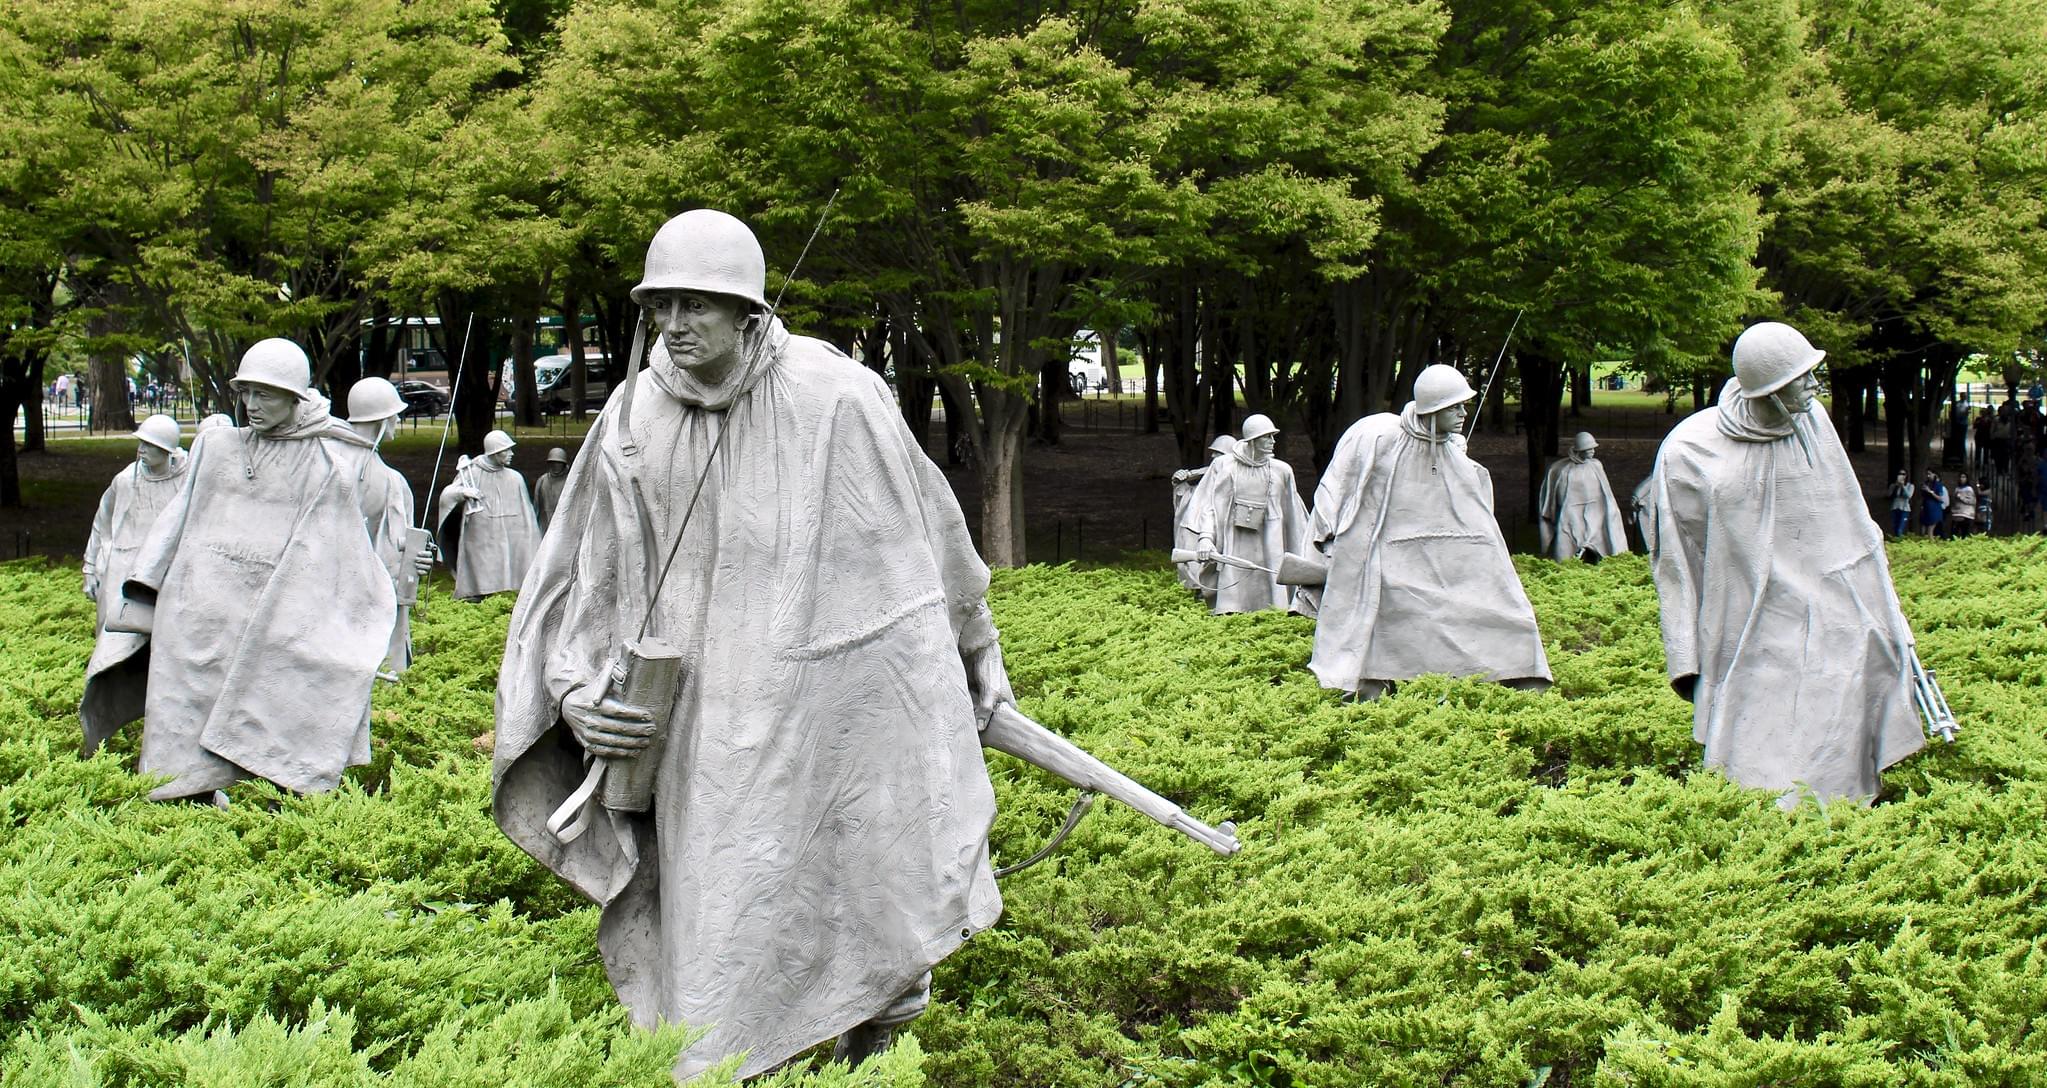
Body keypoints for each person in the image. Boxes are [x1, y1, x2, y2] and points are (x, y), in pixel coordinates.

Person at [492, 209, 1017, 1079]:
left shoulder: (839, 396)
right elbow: (581, 575)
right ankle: (737, 1059)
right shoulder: (631, 414)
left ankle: (875, 1041)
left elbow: (927, 546)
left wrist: (977, 649)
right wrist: (577, 688)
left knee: (867, 871)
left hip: (835, 703)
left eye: (697, 305)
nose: (674, 325)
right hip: (701, 729)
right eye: (661, 306)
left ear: (748, 312)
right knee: (724, 919)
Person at [1646, 321, 1925, 809]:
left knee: (1841, 682)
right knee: (1765, 707)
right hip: (1750, 612)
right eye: (1802, 379)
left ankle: (1841, 803)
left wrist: (1883, 604)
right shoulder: (1691, 449)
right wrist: (1687, 652)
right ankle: (1770, 809)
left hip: (1831, 598)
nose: (1814, 386)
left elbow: (1848, 517)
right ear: (1770, 390)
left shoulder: (1813, 422)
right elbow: (1678, 557)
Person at [117, 338, 395, 801]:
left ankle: (280, 800)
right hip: (197, 608)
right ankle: (180, 797)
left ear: (295, 398)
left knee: (273, 705)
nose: (251, 405)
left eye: (264, 394)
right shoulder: (216, 446)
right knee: (182, 714)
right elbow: (179, 516)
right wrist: (146, 587)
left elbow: (335, 547)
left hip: (271, 608)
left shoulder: (327, 459)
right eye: (246, 393)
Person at [1306, 364, 1551, 701]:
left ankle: (1521, 675)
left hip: (1441, 560)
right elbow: (1337, 484)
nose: (1464, 413)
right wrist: (1327, 536)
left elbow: (1475, 513)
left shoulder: (1453, 450)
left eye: (1465, 406)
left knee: (1505, 608)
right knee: (1375, 622)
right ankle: (1368, 687)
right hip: (1384, 556)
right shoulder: (1378, 435)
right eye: (1455, 407)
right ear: (1433, 408)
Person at [78, 414, 189, 755]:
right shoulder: (125, 480)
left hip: (167, 577)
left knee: (170, 656)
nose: (141, 450)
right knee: (111, 652)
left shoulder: (186, 481)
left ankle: (169, 735)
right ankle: (98, 728)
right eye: (140, 443)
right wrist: (90, 568)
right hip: (123, 575)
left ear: (167, 451)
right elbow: (102, 525)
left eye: (150, 446)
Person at [347, 377, 434, 675]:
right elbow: (395, 561)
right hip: (368, 603)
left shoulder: (322, 461)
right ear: (382, 420)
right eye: (394, 413)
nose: (398, 419)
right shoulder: (389, 481)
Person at [1185, 414, 1311, 614]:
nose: (1272, 442)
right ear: (1252, 440)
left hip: (1272, 540)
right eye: (1266, 437)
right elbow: (1211, 506)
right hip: (1234, 541)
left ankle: (1276, 612)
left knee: (1274, 584)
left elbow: (1295, 517)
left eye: (1272, 436)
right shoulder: (1225, 466)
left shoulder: (1282, 471)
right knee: (1234, 593)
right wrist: (1206, 538)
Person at [435, 429, 540, 599]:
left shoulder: (515, 478)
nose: (511, 453)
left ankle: (506, 595)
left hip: (507, 531)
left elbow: (526, 515)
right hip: (480, 531)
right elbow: (447, 496)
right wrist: (463, 492)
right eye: (507, 450)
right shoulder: (472, 472)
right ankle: (476, 594)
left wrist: (532, 542)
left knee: (506, 564)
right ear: (495, 452)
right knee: (482, 568)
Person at [1536, 431, 1630, 562]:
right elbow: (1557, 495)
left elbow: (1606, 492)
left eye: (1593, 448)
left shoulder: (1596, 465)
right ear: (1580, 450)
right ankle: (1566, 568)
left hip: (1596, 512)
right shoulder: (1563, 469)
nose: (1592, 451)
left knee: (1599, 544)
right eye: (1589, 448)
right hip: (1572, 513)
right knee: (1568, 544)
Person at [1172, 434, 1235, 595]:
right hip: (1193, 530)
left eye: (1219, 453)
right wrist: (1179, 483)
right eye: (1213, 453)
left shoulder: (1233, 483)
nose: (1213, 456)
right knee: (1193, 575)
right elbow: (1186, 497)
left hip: (1215, 537)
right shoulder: (1204, 481)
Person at [533, 446, 571, 533]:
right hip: (544, 522)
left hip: (563, 523)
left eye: (559, 463)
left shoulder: (569, 481)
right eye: (553, 463)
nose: (556, 466)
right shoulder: (542, 480)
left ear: (564, 464)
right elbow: (536, 505)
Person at [1918, 470, 1947, 538]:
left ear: (1934, 475)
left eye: (1930, 474)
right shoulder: (1926, 483)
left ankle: (1932, 546)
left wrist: (1930, 491)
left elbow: (1940, 498)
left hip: (1934, 509)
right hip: (1925, 509)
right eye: (1927, 474)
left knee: (1930, 531)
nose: (1928, 476)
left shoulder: (1938, 485)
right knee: (1922, 532)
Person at [1886, 472, 1914, 538]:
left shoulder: (1910, 486)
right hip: (1895, 508)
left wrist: (1903, 486)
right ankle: (1895, 542)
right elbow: (1888, 494)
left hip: (1905, 509)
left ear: (1906, 476)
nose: (1901, 475)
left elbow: (1909, 496)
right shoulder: (1893, 485)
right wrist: (1895, 485)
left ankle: (1899, 541)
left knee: (1900, 529)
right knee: (1895, 528)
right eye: (1900, 474)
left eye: (1903, 474)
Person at [1948, 474, 1976, 538]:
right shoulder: (1957, 488)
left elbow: (1972, 501)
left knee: (1964, 534)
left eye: (1963, 477)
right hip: (1956, 513)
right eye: (1960, 477)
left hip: (1965, 514)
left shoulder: (1969, 489)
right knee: (1953, 534)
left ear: (1967, 479)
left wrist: (1961, 497)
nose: (1961, 479)